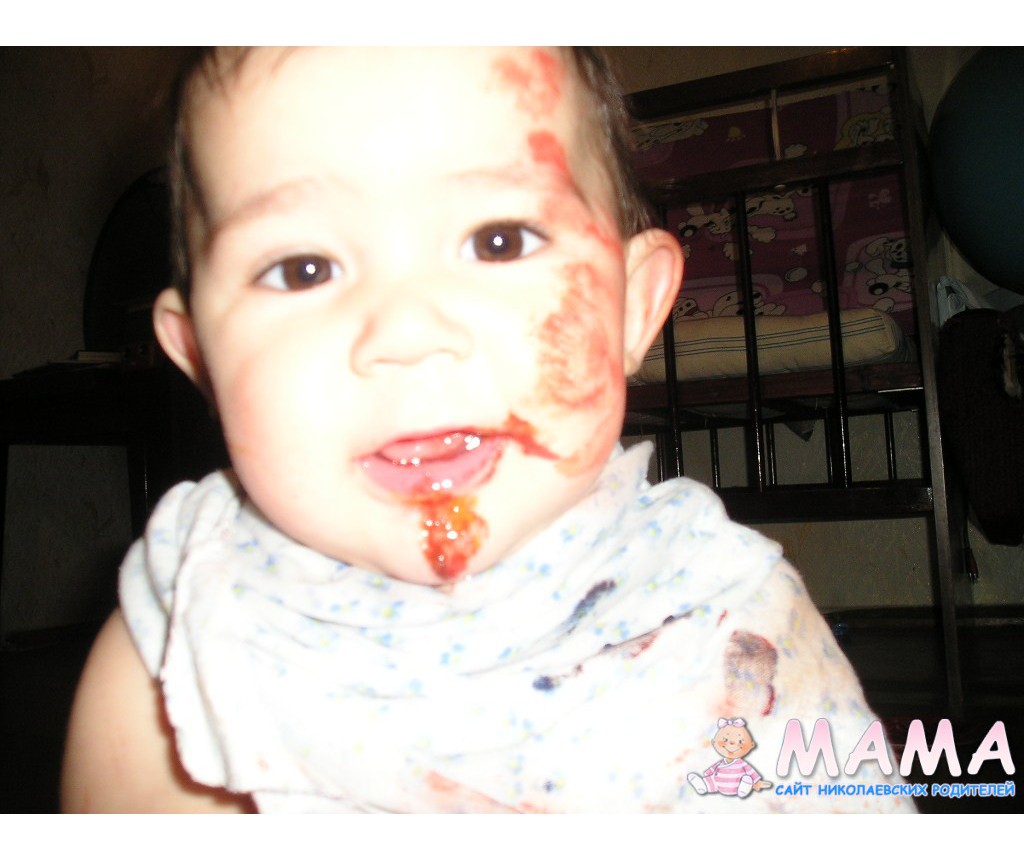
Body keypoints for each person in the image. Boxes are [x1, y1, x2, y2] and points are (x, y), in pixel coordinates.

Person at [61, 47, 913, 812]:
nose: (407, 332)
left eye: (499, 240)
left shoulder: (728, 625)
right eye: (302, 268)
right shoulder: (185, 650)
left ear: (633, 307)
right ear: (200, 357)